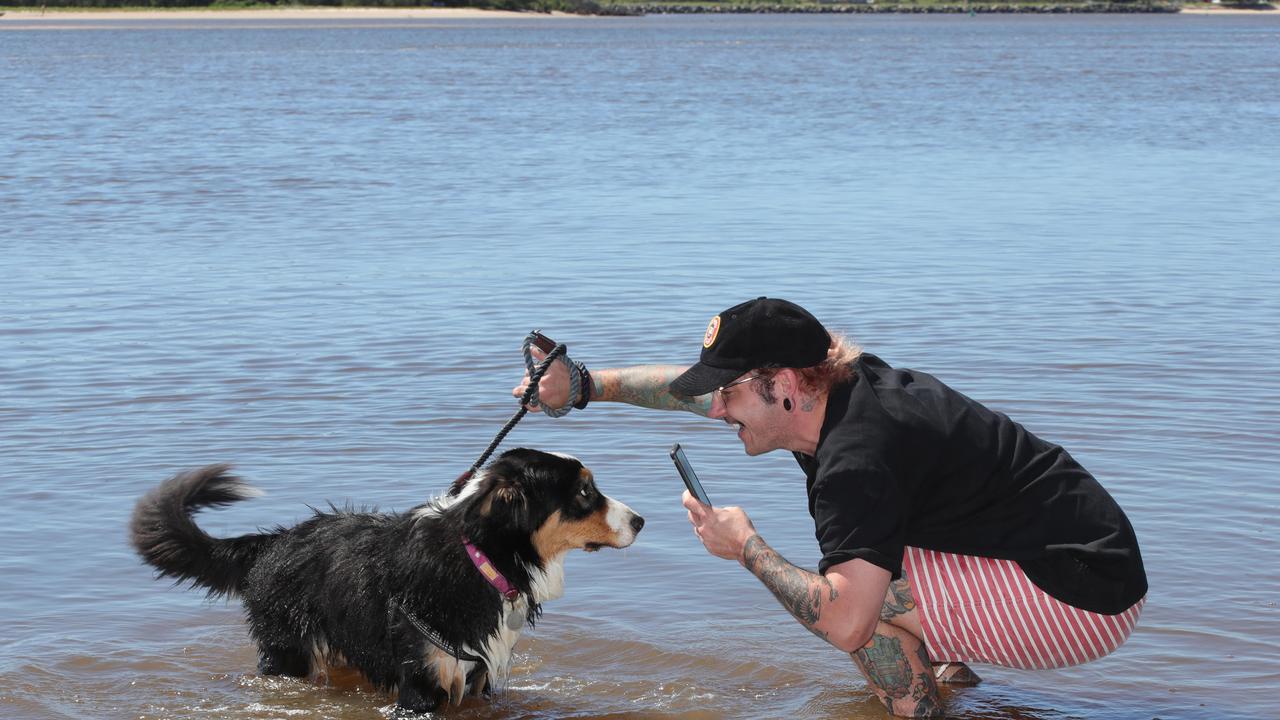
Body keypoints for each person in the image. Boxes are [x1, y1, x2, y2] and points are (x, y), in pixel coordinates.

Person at [512, 297, 1146, 718]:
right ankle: (956, 689)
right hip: (1079, 551)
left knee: (848, 600)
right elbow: (683, 393)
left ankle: (920, 710)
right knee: (868, 569)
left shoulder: (854, 460)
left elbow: (846, 623)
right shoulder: (834, 390)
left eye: (728, 396)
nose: (718, 410)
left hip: (1081, 596)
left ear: (784, 386)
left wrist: (747, 550)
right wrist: (588, 387)